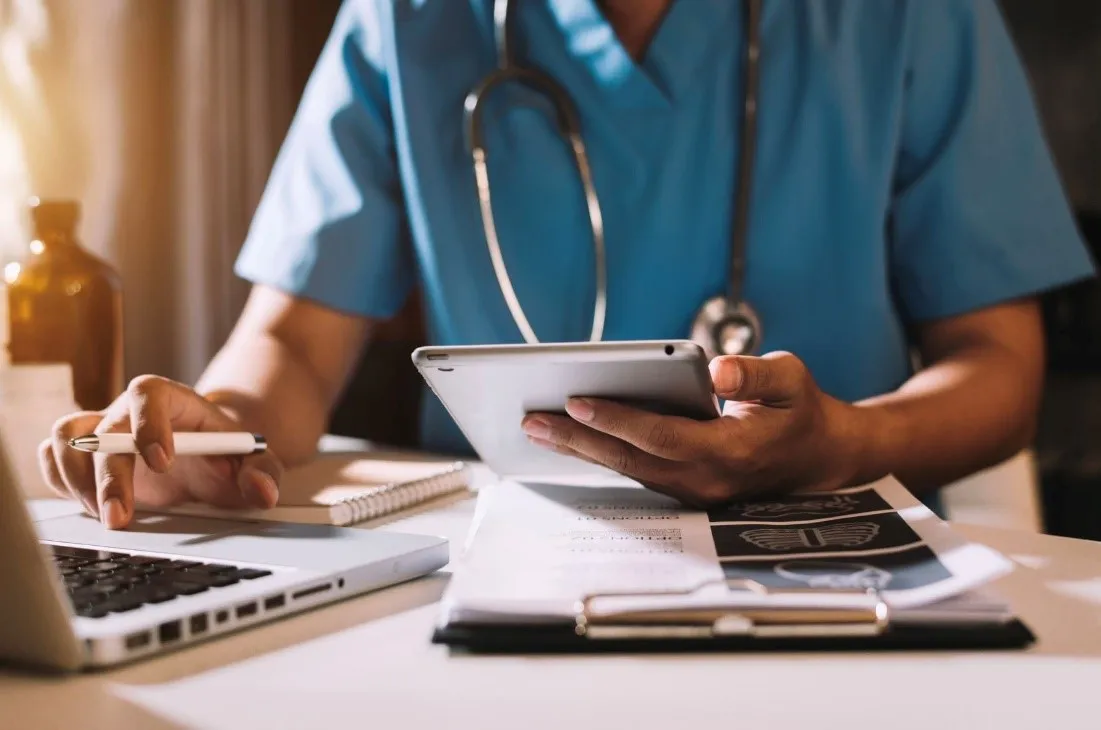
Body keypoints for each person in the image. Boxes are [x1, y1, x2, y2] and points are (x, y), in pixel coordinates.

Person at [39, 0, 1094, 529]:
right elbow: (292, 347)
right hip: (497, 559)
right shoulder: (408, 19)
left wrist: (843, 444)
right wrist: (211, 428)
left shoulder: (905, 16)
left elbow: (998, 362)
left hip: (828, 548)